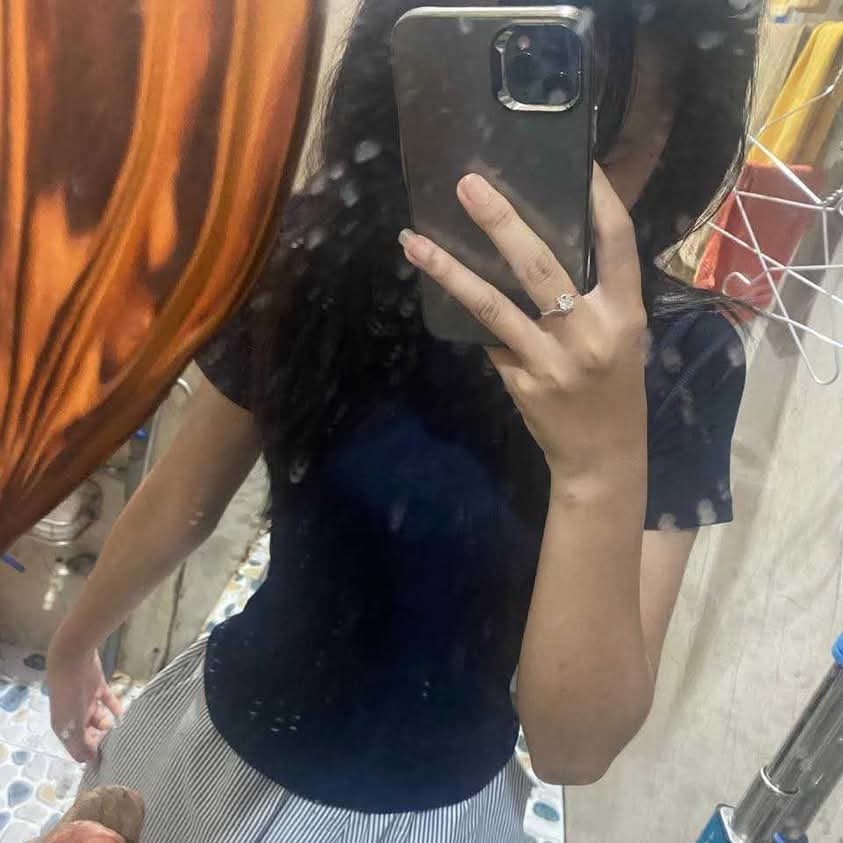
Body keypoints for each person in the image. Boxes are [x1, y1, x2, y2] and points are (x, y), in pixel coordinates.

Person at [46, 1, 759, 840]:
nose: (513, 190)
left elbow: (572, 747)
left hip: (436, 811)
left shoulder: (680, 356)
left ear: (673, 142)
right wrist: (73, 646)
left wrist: (597, 466)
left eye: (592, 144)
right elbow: (183, 498)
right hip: (211, 742)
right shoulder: (317, 254)